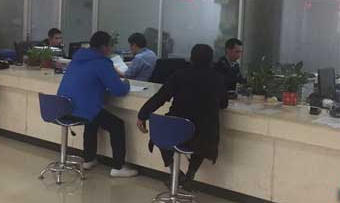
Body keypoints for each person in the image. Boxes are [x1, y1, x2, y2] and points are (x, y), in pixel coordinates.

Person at [137, 44, 228, 186]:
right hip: (202, 137)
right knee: (204, 132)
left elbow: (160, 97)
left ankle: (175, 173)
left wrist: (143, 115)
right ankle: (190, 174)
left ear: (191, 58)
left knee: (163, 130)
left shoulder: (179, 75)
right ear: (211, 60)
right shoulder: (218, 78)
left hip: (176, 131)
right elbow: (223, 104)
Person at [57, 31, 138, 178]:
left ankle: (89, 159)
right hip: (81, 109)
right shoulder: (102, 62)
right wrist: (126, 83)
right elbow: (118, 90)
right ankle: (118, 166)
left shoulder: (77, 58)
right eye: (110, 45)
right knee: (116, 124)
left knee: (92, 119)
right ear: (104, 47)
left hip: (63, 107)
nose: (112, 49)